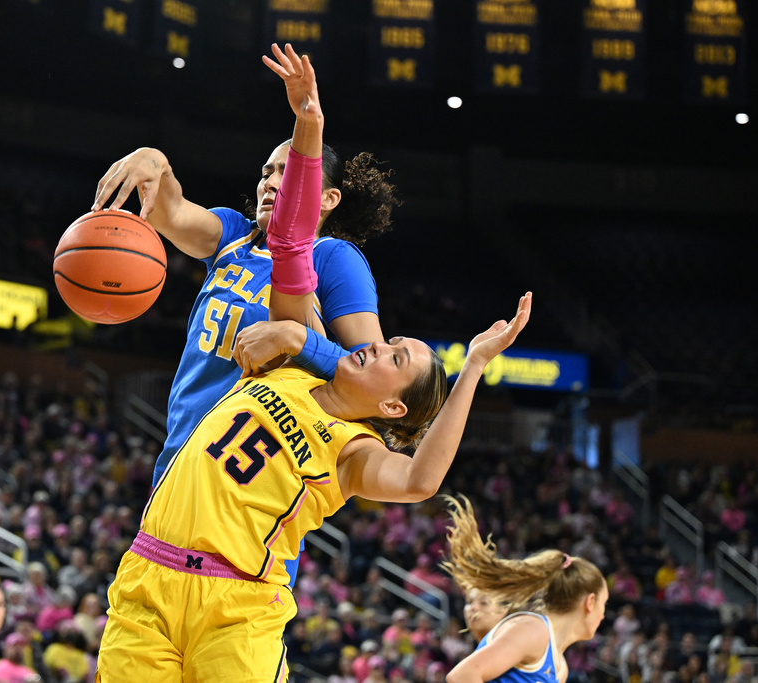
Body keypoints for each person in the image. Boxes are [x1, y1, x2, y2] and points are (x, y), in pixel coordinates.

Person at [96, 41, 532, 683]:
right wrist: (154, 160)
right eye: (265, 172)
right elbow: (172, 210)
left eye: (284, 173)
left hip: (252, 539)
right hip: (177, 490)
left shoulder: (332, 267)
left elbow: (375, 380)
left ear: (325, 198)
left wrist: (300, 343)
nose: (270, 181)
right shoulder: (233, 238)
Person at [441, 495, 607, 683]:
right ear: (590, 602)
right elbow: (462, 676)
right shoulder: (533, 630)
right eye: (604, 603)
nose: (603, 615)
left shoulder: (560, 668)